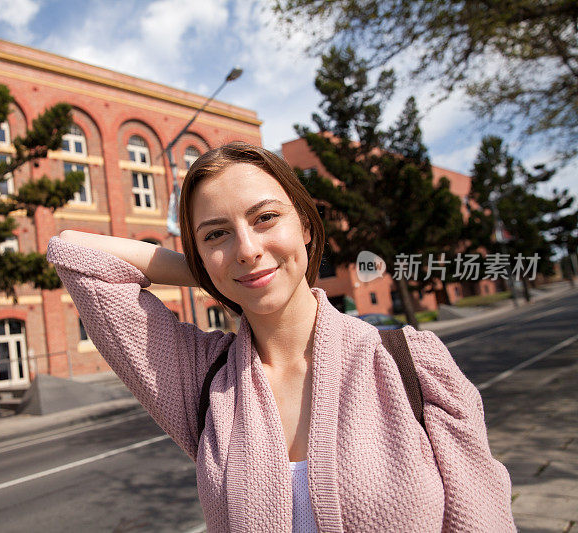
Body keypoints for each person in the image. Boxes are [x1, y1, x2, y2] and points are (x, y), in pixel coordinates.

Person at [46, 141, 515, 532]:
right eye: (216, 235)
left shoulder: (410, 364)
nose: (247, 249)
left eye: (265, 218)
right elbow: (74, 250)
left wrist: (228, 263)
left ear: (306, 227)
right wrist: (216, 272)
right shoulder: (205, 380)